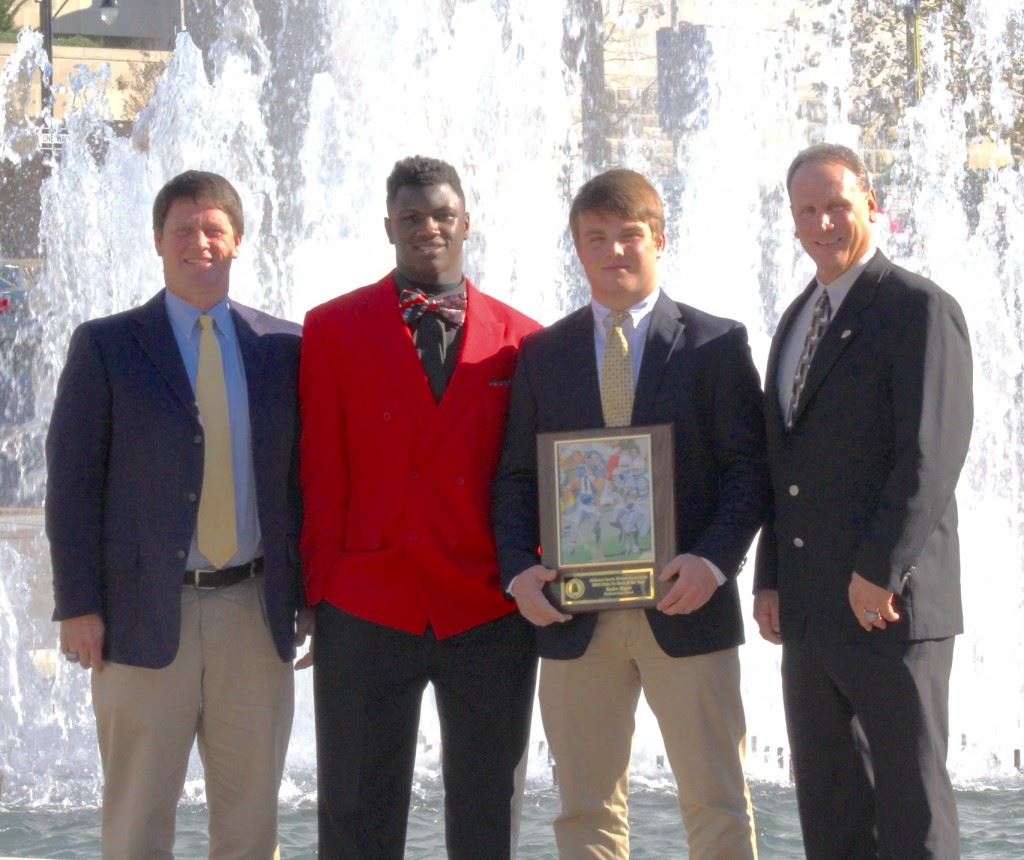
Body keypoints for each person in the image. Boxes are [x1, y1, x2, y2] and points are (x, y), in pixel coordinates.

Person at [493, 168, 768, 858]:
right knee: (584, 810)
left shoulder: (715, 345)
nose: (613, 251)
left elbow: (749, 470)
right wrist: (519, 572)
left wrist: (712, 561)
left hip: (687, 606)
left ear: (659, 240)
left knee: (717, 802)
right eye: (596, 239)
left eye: (628, 236)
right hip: (573, 615)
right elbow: (516, 479)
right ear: (578, 250)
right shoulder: (542, 356)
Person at [46, 170, 310, 858]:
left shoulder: (284, 348)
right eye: (184, 230)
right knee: (137, 825)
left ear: (238, 241)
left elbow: (303, 484)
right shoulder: (106, 347)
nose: (201, 243)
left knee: (252, 826)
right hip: (139, 617)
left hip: (254, 614)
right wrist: (79, 605)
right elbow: (71, 487)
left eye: (214, 229)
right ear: (158, 242)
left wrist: (310, 595)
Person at [299, 155, 540, 860]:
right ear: (387, 227)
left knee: (489, 809)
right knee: (355, 809)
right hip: (369, 603)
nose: (427, 227)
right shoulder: (332, 327)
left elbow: (529, 477)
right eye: (410, 216)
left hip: (488, 605)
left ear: (465, 221)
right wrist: (319, 593)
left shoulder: (525, 337)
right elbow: (321, 473)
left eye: (441, 214)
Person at [753, 143, 973, 858]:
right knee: (831, 807)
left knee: (912, 808)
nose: (823, 222)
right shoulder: (793, 321)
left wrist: (882, 568)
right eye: (807, 210)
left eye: (837, 205)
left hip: (891, 608)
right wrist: (769, 578)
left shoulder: (918, 308)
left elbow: (930, 456)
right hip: (812, 615)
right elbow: (782, 464)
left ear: (870, 205)